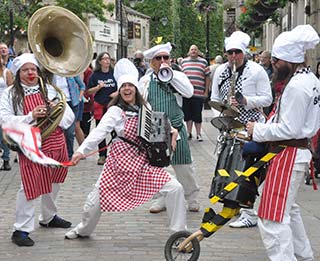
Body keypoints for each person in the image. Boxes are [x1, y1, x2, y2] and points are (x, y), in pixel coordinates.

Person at [64, 59, 186, 240]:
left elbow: (159, 129)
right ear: (119, 91)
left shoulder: (146, 108)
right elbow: (99, 132)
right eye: (124, 86)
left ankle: (179, 234)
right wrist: (81, 151)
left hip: (143, 163)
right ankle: (82, 229)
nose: (127, 89)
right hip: (118, 163)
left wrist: (173, 133)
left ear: (136, 89)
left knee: (175, 188)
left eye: (130, 86)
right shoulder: (115, 111)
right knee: (95, 201)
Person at [246, 24, 319, 261]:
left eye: (276, 60)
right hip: (295, 153)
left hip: (289, 154)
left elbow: (290, 129)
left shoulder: (297, 86)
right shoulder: (308, 79)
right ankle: (304, 255)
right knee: (288, 209)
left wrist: (257, 129)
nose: (273, 64)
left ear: (289, 60)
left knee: (271, 217)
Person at [0, 53, 75, 246]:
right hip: (30, 144)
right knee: (29, 186)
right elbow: (4, 120)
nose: (30, 73)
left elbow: (69, 118)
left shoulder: (49, 89)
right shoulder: (10, 93)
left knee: (54, 181)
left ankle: (49, 217)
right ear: (18, 73)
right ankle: (21, 229)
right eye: (25, 70)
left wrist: (55, 109)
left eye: (33, 69)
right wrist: (30, 116)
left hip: (55, 141)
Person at [210, 31, 272, 228]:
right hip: (230, 125)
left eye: (237, 52)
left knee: (246, 169)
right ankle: (233, 204)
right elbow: (214, 98)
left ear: (244, 53)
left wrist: (246, 101)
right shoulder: (220, 71)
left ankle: (248, 211)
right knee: (228, 168)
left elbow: (267, 98)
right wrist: (221, 116)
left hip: (251, 126)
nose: (233, 56)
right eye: (230, 53)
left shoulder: (256, 71)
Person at [139, 42, 200, 213]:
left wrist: (171, 76)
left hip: (176, 126)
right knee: (157, 166)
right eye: (158, 58)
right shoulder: (145, 81)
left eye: (166, 57)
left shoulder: (177, 76)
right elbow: (140, 104)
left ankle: (192, 197)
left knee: (183, 165)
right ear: (152, 62)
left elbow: (189, 92)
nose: (163, 61)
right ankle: (161, 198)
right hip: (156, 126)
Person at [87, 52, 118, 165]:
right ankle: (102, 155)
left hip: (113, 106)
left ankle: (116, 154)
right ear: (100, 61)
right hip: (100, 105)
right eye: (104, 59)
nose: (107, 61)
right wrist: (98, 87)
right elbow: (89, 91)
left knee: (116, 130)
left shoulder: (114, 73)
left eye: (108, 58)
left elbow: (122, 86)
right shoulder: (95, 75)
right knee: (101, 131)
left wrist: (117, 93)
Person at [51, 74, 86, 159]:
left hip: (72, 103)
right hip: (58, 104)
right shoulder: (51, 75)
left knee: (70, 131)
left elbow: (82, 86)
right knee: (58, 130)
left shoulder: (71, 73)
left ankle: (69, 155)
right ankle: (60, 153)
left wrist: (79, 98)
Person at [181, 44, 210, 141]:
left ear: (198, 51)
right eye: (192, 49)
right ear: (189, 51)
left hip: (198, 93)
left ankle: (198, 134)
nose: (193, 51)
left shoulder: (204, 62)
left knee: (197, 115)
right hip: (186, 94)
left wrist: (206, 91)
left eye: (195, 49)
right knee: (187, 115)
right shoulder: (183, 62)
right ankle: (189, 133)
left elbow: (207, 77)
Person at [0, 55, 13, 170]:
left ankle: (6, 159)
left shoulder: (6, 72)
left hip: (3, 106)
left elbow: (11, 89)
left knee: (3, 135)